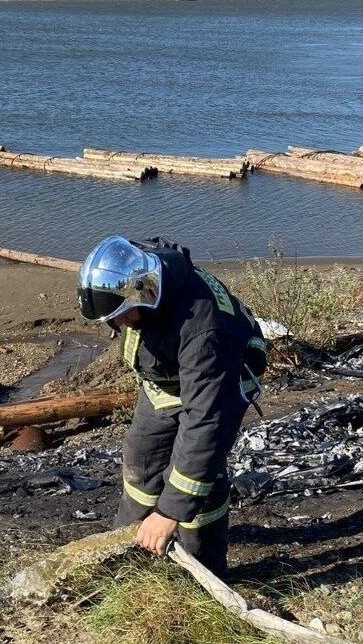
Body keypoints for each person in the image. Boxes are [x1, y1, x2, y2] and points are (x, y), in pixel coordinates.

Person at [77, 236, 266, 575]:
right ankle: (131, 544)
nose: (119, 324)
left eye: (122, 315)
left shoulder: (204, 333)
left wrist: (169, 513)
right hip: (167, 380)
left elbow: (206, 424)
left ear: (142, 292)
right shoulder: (147, 269)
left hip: (221, 381)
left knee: (200, 473)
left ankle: (202, 566)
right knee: (142, 456)